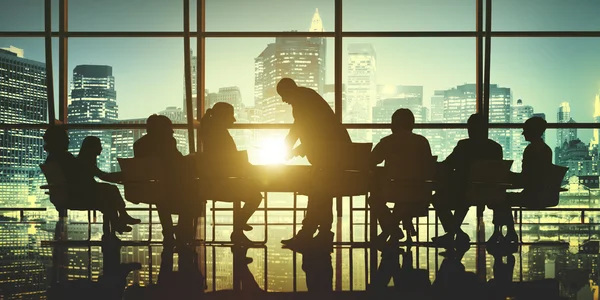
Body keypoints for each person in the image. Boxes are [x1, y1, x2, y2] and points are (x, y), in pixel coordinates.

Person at [277, 78, 352, 248]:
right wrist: (294, 148)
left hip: (330, 155)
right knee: (321, 192)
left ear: (290, 91)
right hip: (335, 154)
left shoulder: (302, 103)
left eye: (283, 95)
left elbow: (305, 130)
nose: (283, 100)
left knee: (318, 190)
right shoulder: (308, 97)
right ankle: (321, 232)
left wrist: (289, 148)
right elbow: (316, 132)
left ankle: (310, 232)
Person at [43, 127, 139, 236]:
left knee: (109, 196)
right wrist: (125, 176)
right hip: (77, 195)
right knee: (110, 193)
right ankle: (117, 223)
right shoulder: (65, 157)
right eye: (66, 138)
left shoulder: (54, 158)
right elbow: (97, 175)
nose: (68, 141)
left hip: (71, 194)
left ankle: (117, 224)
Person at [432, 113, 503, 247]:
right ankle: (454, 233)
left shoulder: (464, 145)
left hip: (464, 191)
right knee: (462, 199)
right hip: (488, 192)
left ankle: (456, 233)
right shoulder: (495, 148)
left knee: (437, 199)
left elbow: (449, 164)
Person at [368, 109, 433, 247]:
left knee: (374, 199)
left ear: (394, 124)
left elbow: (371, 161)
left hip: (393, 190)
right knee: (404, 200)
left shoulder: (387, 142)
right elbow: (429, 166)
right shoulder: (422, 142)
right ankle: (394, 229)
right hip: (419, 191)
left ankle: (391, 230)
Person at [200, 102, 262, 243]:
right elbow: (231, 161)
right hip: (224, 184)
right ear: (223, 117)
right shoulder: (220, 135)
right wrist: (252, 170)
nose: (234, 119)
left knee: (252, 192)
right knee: (255, 197)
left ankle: (239, 227)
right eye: (231, 115)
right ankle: (238, 226)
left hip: (217, 182)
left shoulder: (211, 133)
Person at [490, 117, 552, 245]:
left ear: (532, 131)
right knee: (501, 198)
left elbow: (527, 178)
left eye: (525, 130)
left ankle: (500, 232)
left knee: (499, 199)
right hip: (542, 194)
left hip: (533, 196)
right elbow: (534, 177)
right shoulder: (545, 149)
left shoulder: (531, 150)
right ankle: (505, 232)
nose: (523, 133)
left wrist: (507, 175)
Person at [133, 115, 191, 247]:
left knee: (161, 196)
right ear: (163, 129)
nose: (172, 131)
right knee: (191, 193)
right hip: (171, 186)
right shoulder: (167, 141)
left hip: (149, 186)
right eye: (169, 128)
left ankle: (169, 231)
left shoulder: (139, 144)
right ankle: (181, 229)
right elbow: (177, 162)